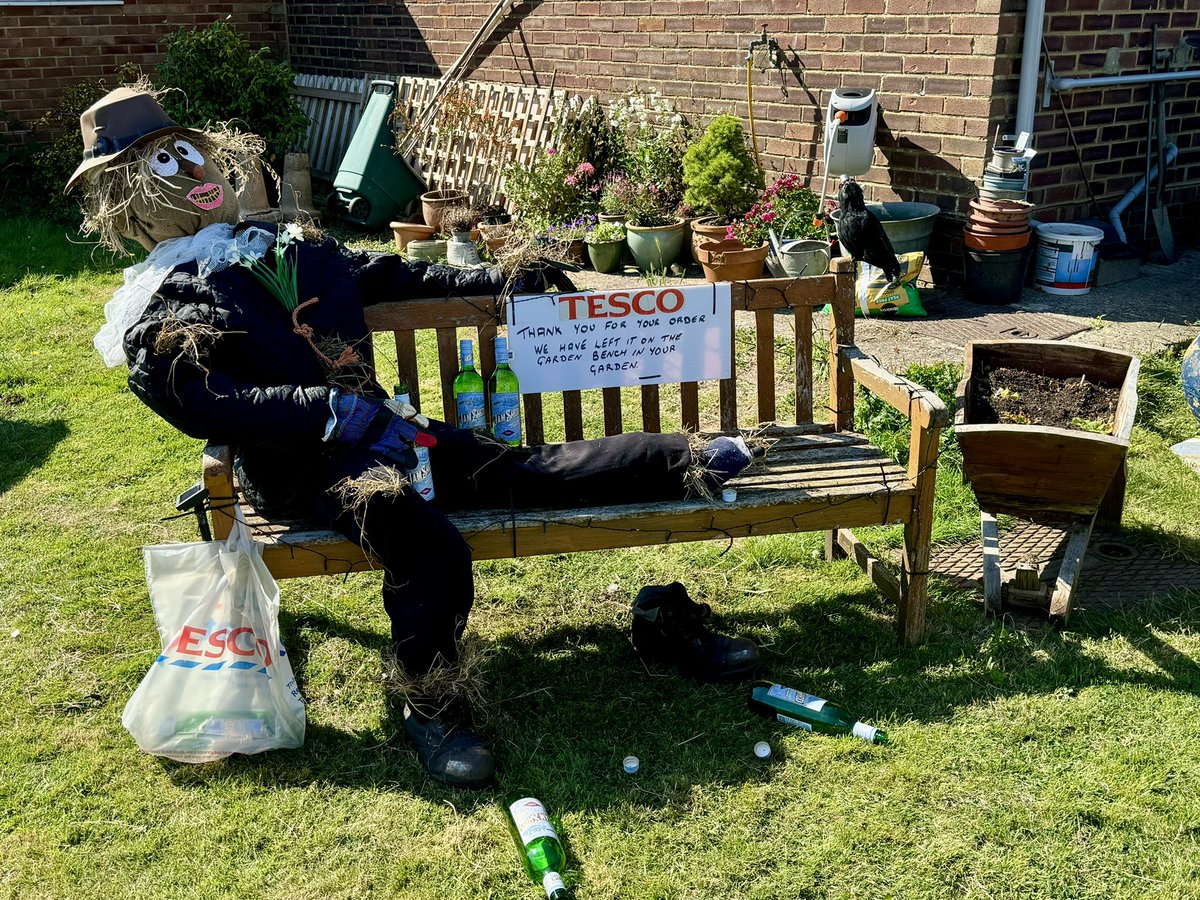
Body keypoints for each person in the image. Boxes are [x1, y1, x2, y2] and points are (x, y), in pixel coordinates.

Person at [69, 86, 762, 787]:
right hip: (301, 469)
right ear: (130, 202)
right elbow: (198, 398)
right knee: (420, 535)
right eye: (164, 165)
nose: (193, 173)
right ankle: (431, 702)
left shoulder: (284, 248)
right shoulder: (168, 297)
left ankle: (688, 459)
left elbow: (391, 273)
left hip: (387, 436)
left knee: (520, 470)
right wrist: (326, 411)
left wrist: (498, 277)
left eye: (189, 154)